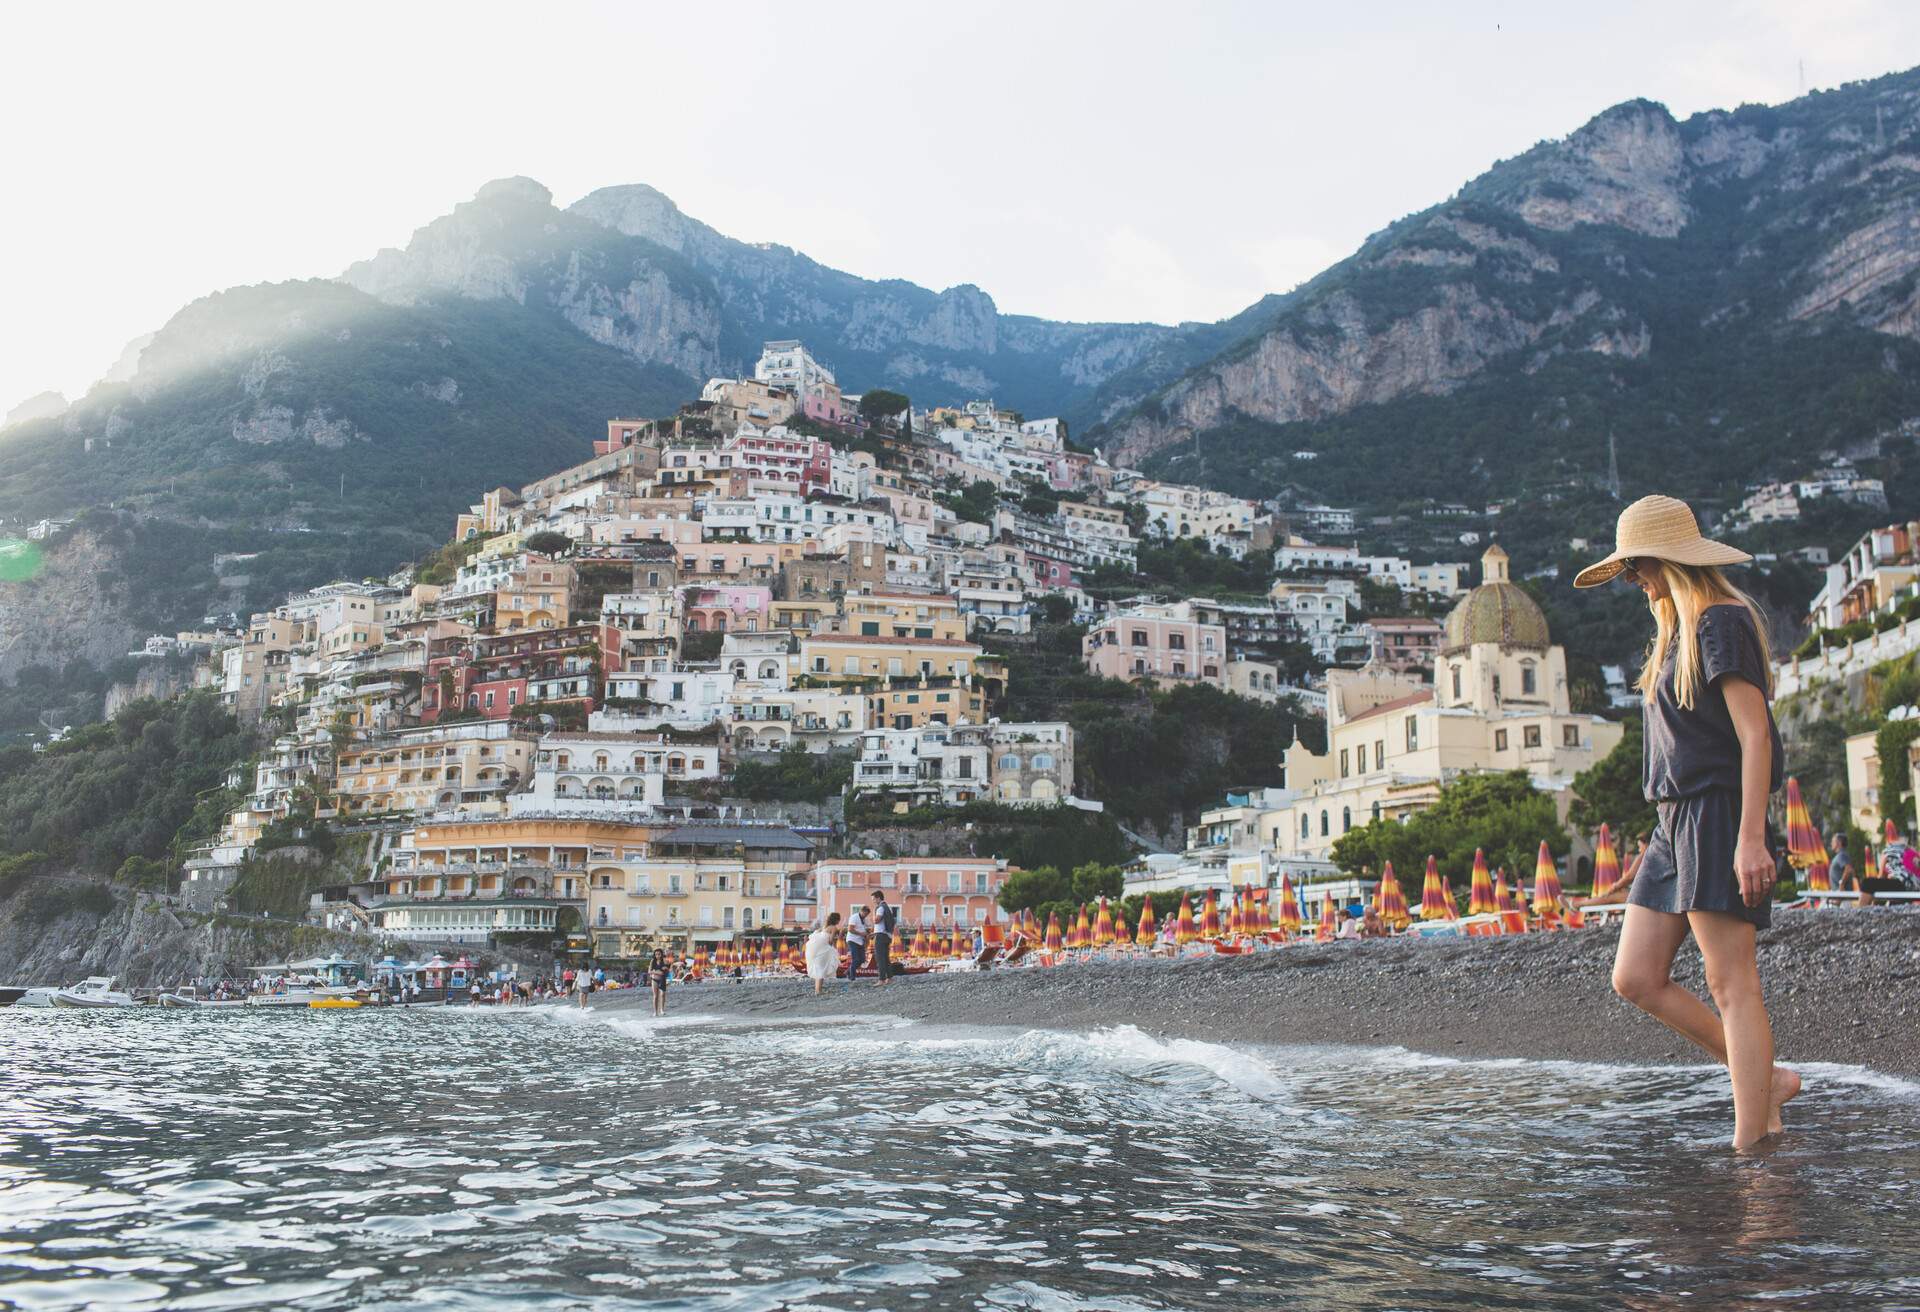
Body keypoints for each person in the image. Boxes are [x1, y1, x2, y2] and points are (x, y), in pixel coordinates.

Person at [1574, 495, 1800, 1151]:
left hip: (1718, 814)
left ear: (1664, 559)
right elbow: (1680, 754)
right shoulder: (1674, 633)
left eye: (1637, 567)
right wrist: (1653, 849)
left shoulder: (1721, 622)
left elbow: (1755, 737)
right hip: (1676, 824)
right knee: (1636, 977)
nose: (1635, 582)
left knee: (1733, 983)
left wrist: (1751, 837)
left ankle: (1750, 1146)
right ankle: (1766, 1082)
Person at [806, 914, 842, 996]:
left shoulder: (824, 927)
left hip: (814, 948)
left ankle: (817, 990)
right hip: (822, 949)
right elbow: (830, 941)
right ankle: (818, 991)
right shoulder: (834, 928)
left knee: (818, 968)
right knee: (821, 969)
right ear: (836, 920)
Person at [869, 890, 897, 985]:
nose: (873, 901)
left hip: (881, 936)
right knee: (885, 958)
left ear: (878, 898)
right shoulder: (886, 907)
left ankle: (881, 979)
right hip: (886, 935)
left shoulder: (880, 908)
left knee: (879, 958)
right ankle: (889, 978)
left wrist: (873, 913)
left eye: (873, 899)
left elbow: (876, 920)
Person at [844, 903, 869, 988]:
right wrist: (861, 933)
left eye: (866, 915)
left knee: (862, 959)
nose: (865, 916)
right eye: (865, 914)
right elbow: (850, 929)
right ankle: (852, 977)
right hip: (852, 940)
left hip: (860, 941)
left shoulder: (863, 919)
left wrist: (865, 935)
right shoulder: (854, 917)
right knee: (856, 959)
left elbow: (861, 930)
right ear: (861, 911)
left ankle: (848, 972)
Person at [647, 948, 669, 1017]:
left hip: (662, 979)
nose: (657, 956)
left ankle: (662, 1010)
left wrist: (666, 969)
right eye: (656, 954)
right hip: (654, 979)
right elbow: (649, 971)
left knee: (662, 994)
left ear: (661, 954)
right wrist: (657, 972)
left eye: (659, 954)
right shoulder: (653, 961)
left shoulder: (665, 961)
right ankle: (655, 1012)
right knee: (656, 996)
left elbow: (669, 970)